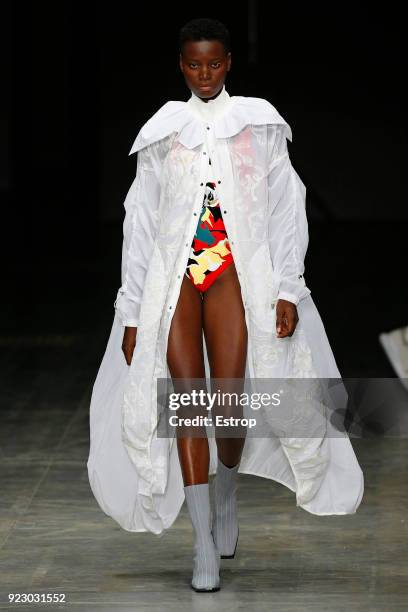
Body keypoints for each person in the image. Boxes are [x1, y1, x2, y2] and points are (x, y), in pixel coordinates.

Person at [87, 17, 364, 593]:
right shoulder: (163, 130)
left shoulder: (259, 123)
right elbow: (139, 222)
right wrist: (133, 309)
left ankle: (227, 497)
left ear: (229, 62)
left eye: (214, 63)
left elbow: (289, 207)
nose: (204, 73)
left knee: (231, 394)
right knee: (185, 399)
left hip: (237, 271)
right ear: (181, 65)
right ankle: (202, 543)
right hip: (177, 276)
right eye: (193, 64)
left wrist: (288, 287)